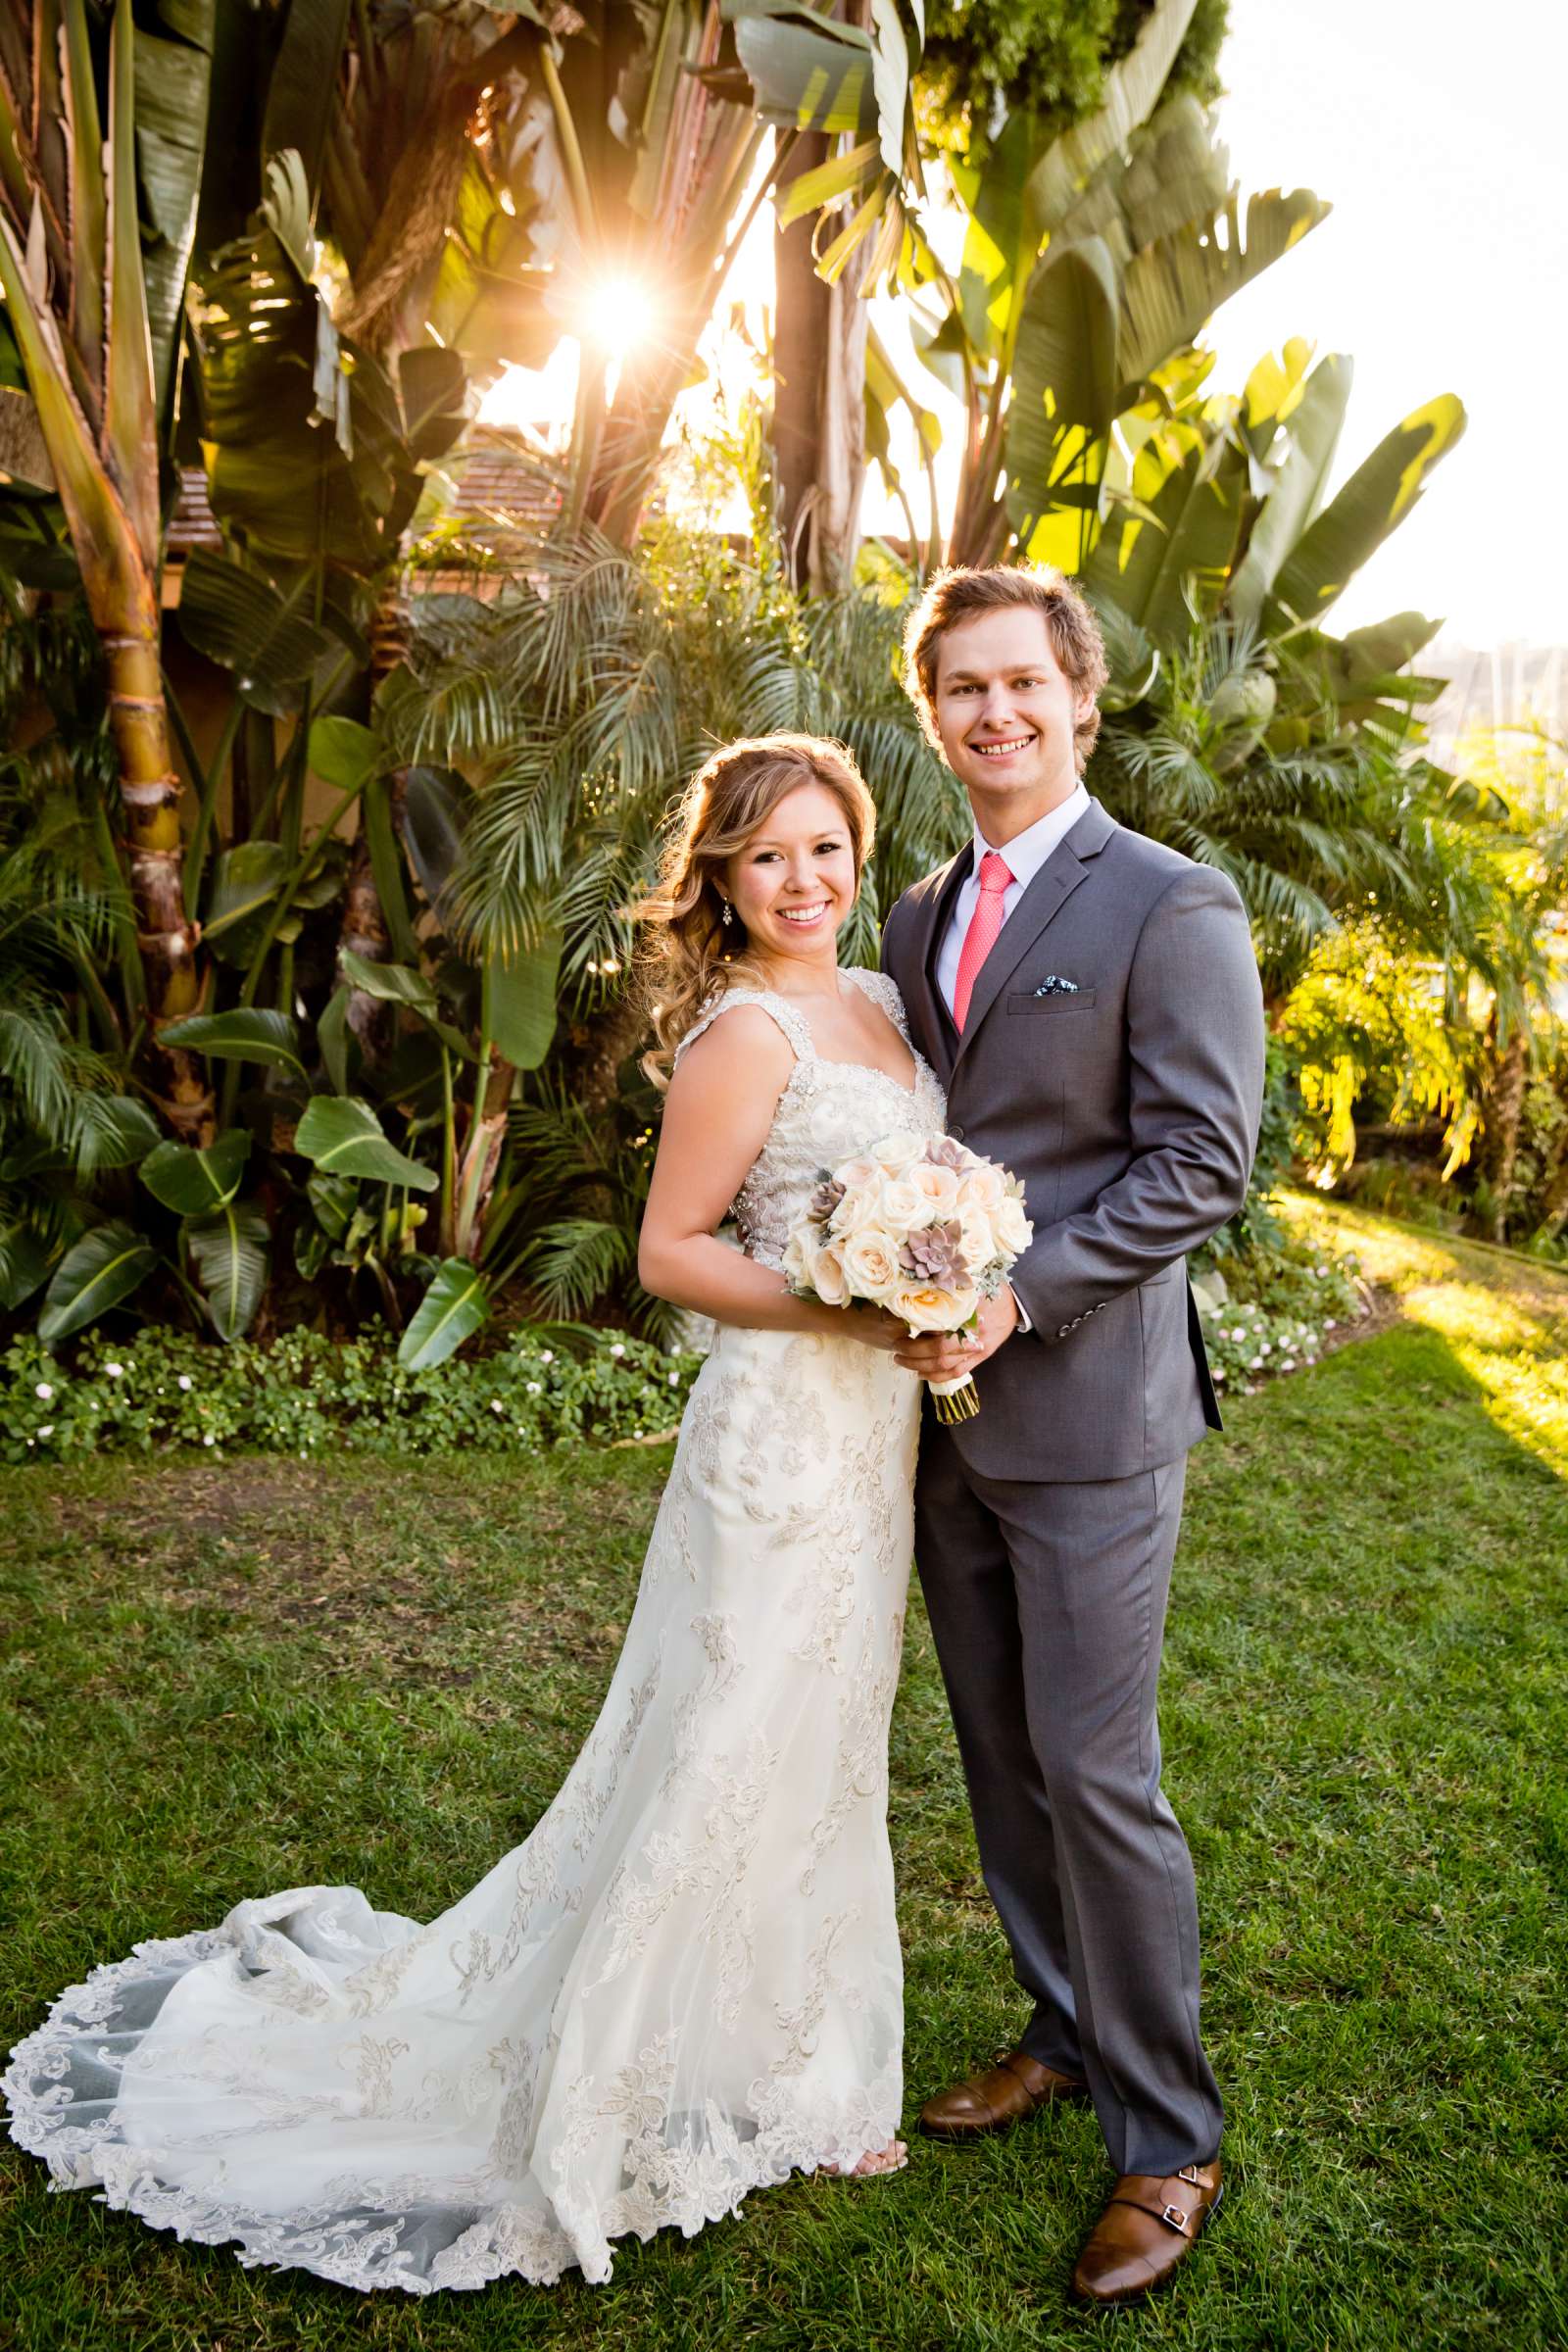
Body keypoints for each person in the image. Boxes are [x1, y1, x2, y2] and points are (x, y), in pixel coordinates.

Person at [2, 733, 939, 2294]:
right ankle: (629, 2074)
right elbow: (668, 1251)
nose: (805, 881)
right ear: (721, 876)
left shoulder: (887, 1005)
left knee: (829, 1743)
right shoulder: (745, 1032)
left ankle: (801, 2072)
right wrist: (841, 1295)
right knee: (726, 1735)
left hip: (875, 1441)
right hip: (779, 1438)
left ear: (860, 855)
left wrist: (934, 1275)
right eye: (769, 855)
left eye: (828, 849)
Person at [879, 564, 1265, 2307]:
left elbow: (1203, 1162)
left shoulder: (1171, 904)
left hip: (1092, 1412)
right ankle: (1060, 2028)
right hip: (936, 1417)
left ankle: (1165, 2136)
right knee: (997, 1755)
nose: (994, 714)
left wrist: (1019, 1300)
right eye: (961, 688)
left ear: (1080, 697)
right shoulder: (911, 909)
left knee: (1100, 1774)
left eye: (1021, 682)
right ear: (933, 710)